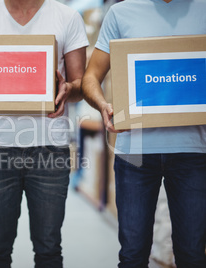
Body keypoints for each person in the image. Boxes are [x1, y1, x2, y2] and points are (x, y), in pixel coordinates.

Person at [0, 0, 88, 266]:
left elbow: (79, 86)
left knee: (49, 249)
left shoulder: (67, 17)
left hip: (50, 148)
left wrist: (68, 90)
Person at [81, 0, 206, 267]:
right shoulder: (121, 13)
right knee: (133, 256)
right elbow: (91, 75)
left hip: (193, 152)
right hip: (134, 155)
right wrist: (103, 105)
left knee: (192, 255)